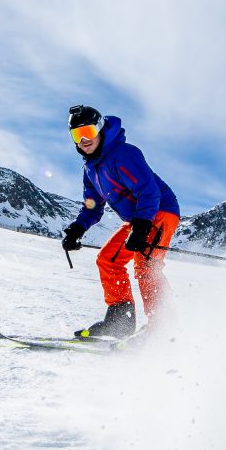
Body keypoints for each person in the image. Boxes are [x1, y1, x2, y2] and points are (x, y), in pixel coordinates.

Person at [61, 104, 180, 339]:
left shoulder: (124, 154)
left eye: (88, 132)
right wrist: (77, 228)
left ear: (101, 129)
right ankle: (120, 322)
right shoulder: (90, 170)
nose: (83, 139)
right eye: (77, 134)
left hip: (159, 211)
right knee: (108, 261)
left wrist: (143, 225)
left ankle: (162, 327)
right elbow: (92, 207)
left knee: (146, 265)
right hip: (138, 219)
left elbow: (149, 191)